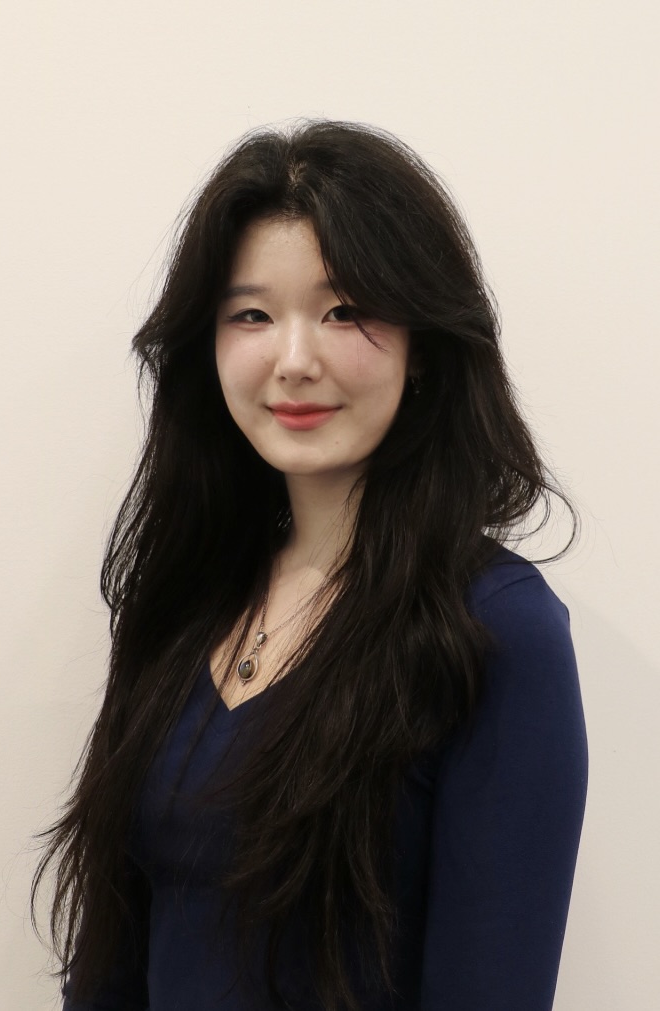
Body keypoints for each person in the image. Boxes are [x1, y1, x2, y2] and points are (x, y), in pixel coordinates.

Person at [32, 120, 588, 1011]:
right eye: (251, 314)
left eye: (343, 311)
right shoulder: (183, 597)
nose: (294, 361)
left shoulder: (496, 628)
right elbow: (109, 965)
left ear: (422, 345)